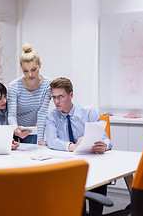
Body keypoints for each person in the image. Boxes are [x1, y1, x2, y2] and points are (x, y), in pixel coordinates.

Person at [45, 77, 112, 216]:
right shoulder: (51, 117)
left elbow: (107, 139)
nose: (56, 102)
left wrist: (104, 145)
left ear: (71, 95)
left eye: (60, 97)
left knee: (98, 180)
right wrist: (72, 146)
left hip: (91, 162)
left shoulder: (88, 113)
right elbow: (52, 140)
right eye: (54, 98)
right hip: (67, 164)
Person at [7, 43, 51, 145]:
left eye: (34, 69)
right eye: (25, 71)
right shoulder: (14, 86)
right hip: (14, 129)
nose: (30, 74)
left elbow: (42, 113)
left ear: (40, 64)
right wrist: (15, 129)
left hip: (32, 130)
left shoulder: (47, 85)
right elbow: (12, 114)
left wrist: (40, 140)